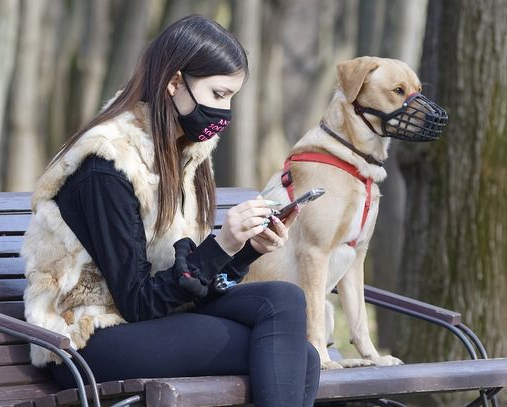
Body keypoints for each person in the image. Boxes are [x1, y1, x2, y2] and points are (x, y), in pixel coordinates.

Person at [21, 14, 320, 407]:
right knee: (293, 358)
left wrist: (244, 250)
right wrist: (221, 244)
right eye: (217, 94)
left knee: (286, 308)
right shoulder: (107, 164)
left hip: (154, 317)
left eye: (231, 97)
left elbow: (190, 282)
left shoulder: (185, 155)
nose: (225, 111)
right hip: (87, 332)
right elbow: (139, 302)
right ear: (175, 83)